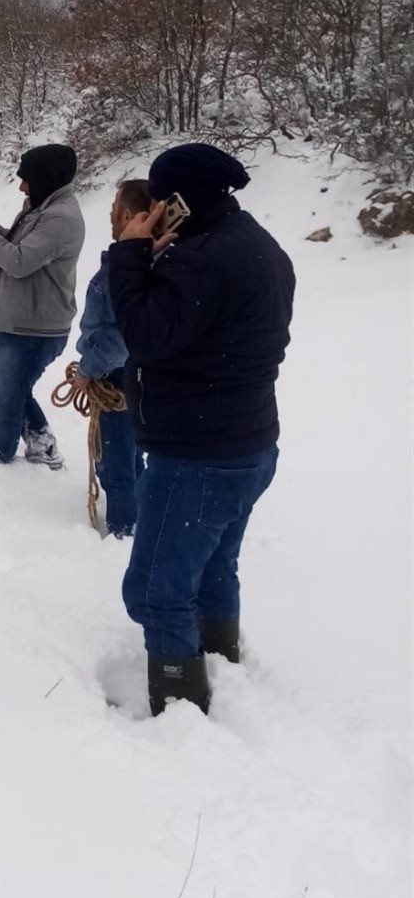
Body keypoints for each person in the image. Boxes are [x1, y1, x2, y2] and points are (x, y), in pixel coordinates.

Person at [107, 143, 295, 716]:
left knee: (157, 590)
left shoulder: (202, 262)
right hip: (248, 443)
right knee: (213, 569)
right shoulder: (253, 243)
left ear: (181, 202)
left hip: (198, 455)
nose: (153, 206)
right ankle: (220, 663)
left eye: (161, 198)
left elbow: (142, 333)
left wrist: (128, 253)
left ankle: (180, 709)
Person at [0, 144, 85, 467]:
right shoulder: (42, 208)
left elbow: (17, 261)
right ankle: (42, 444)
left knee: (4, 395)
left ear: (45, 178)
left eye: (26, 179)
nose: (20, 186)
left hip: (36, 326)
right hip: (25, 320)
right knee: (15, 389)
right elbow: (22, 246)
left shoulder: (60, 218)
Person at [73, 179, 153, 536]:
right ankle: (138, 516)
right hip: (138, 376)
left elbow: (118, 339)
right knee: (132, 455)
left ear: (126, 214)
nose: (109, 216)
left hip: (116, 377)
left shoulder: (122, 275)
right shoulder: (151, 264)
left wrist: (87, 372)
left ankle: (124, 529)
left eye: (112, 210)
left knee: (117, 461)